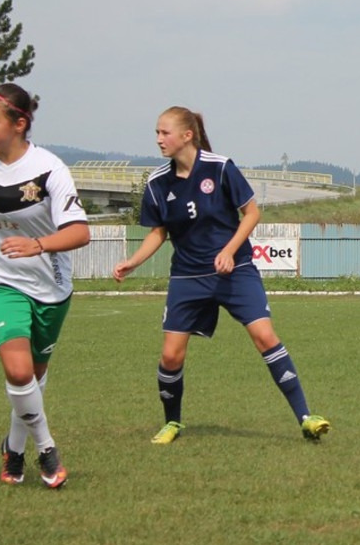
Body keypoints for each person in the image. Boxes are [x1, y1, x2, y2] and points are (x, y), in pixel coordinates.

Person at [112, 107, 330, 443]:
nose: (158, 139)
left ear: (187, 135)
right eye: (157, 132)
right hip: (188, 277)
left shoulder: (221, 167)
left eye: (164, 132)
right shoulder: (157, 183)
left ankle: (305, 417)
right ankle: (172, 423)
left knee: (265, 337)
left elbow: (251, 213)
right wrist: (133, 262)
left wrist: (229, 251)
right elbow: (159, 232)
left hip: (235, 271)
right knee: (170, 355)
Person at [0, 84, 90, 488]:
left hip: (49, 285)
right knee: (17, 370)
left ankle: (14, 449)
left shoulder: (50, 169)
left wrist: (38, 244)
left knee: (32, 375)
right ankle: (47, 449)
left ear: (19, 124)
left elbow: (80, 232)